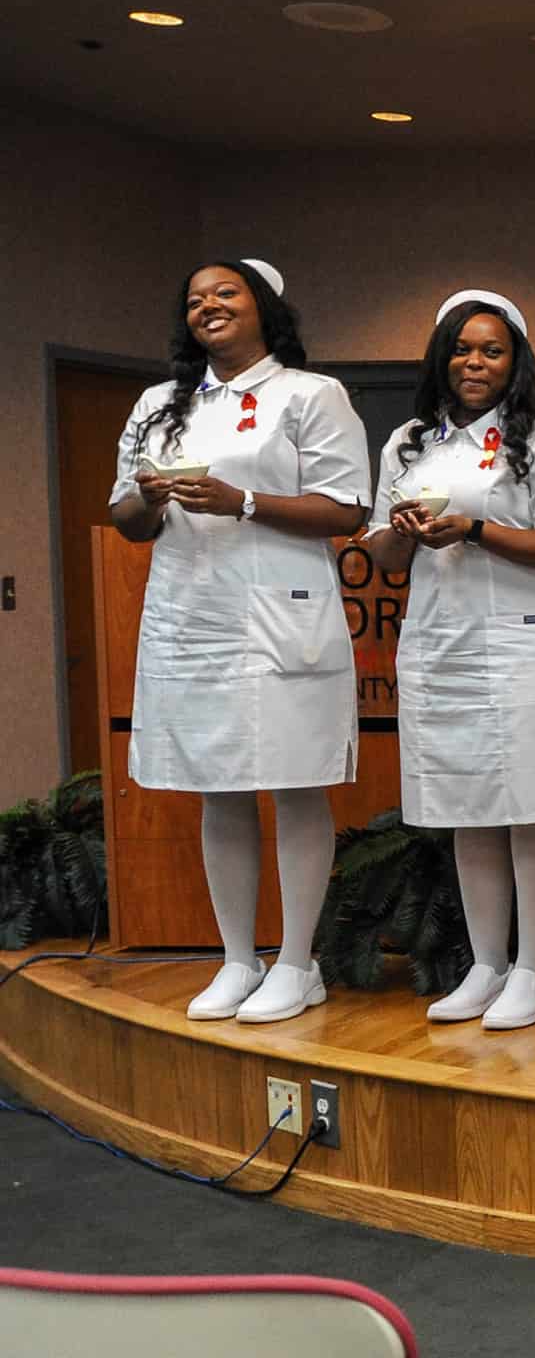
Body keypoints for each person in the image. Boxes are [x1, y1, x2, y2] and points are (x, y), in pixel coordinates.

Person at [107, 258, 370, 1024]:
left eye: (225, 294)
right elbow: (127, 520)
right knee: (216, 784)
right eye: (194, 299)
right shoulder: (161, 404)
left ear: (265, 309)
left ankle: (297, 962)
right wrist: (147, 499)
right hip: (193, 612)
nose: (207, 307)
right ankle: (235, 959)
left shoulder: (309, 395)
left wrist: (243, 500)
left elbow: (348, 507)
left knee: (294, 780)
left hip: (281, 611)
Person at [368, 291, 535, 1030]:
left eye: (492, 350)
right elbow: (387, 554)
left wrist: (473, 529)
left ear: (514, 362)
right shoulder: (408, 440)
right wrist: (401, 530)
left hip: (526, 643)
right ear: (442, 357)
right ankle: (487, 965)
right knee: (469, 811)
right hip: (442, 642)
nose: (475, 362)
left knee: (532, 807)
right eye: (463, 349)